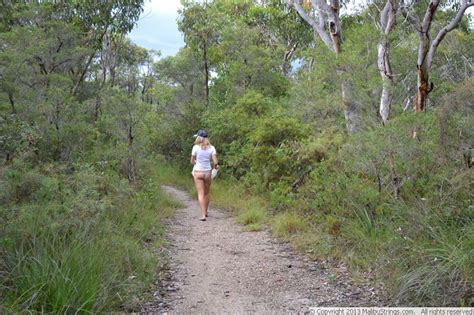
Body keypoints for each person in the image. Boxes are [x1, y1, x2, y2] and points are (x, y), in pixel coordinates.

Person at [191, 130, 219, 221]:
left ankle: (203, 215)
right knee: (207, 193)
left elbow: (192, 161)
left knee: (201, 194)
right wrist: (216, 166)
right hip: (207, 173)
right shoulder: (212, 148)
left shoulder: (195, 147)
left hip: (198, 172)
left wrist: (196, 162)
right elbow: (215, 162)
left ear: (198, 137)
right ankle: (206, 211)